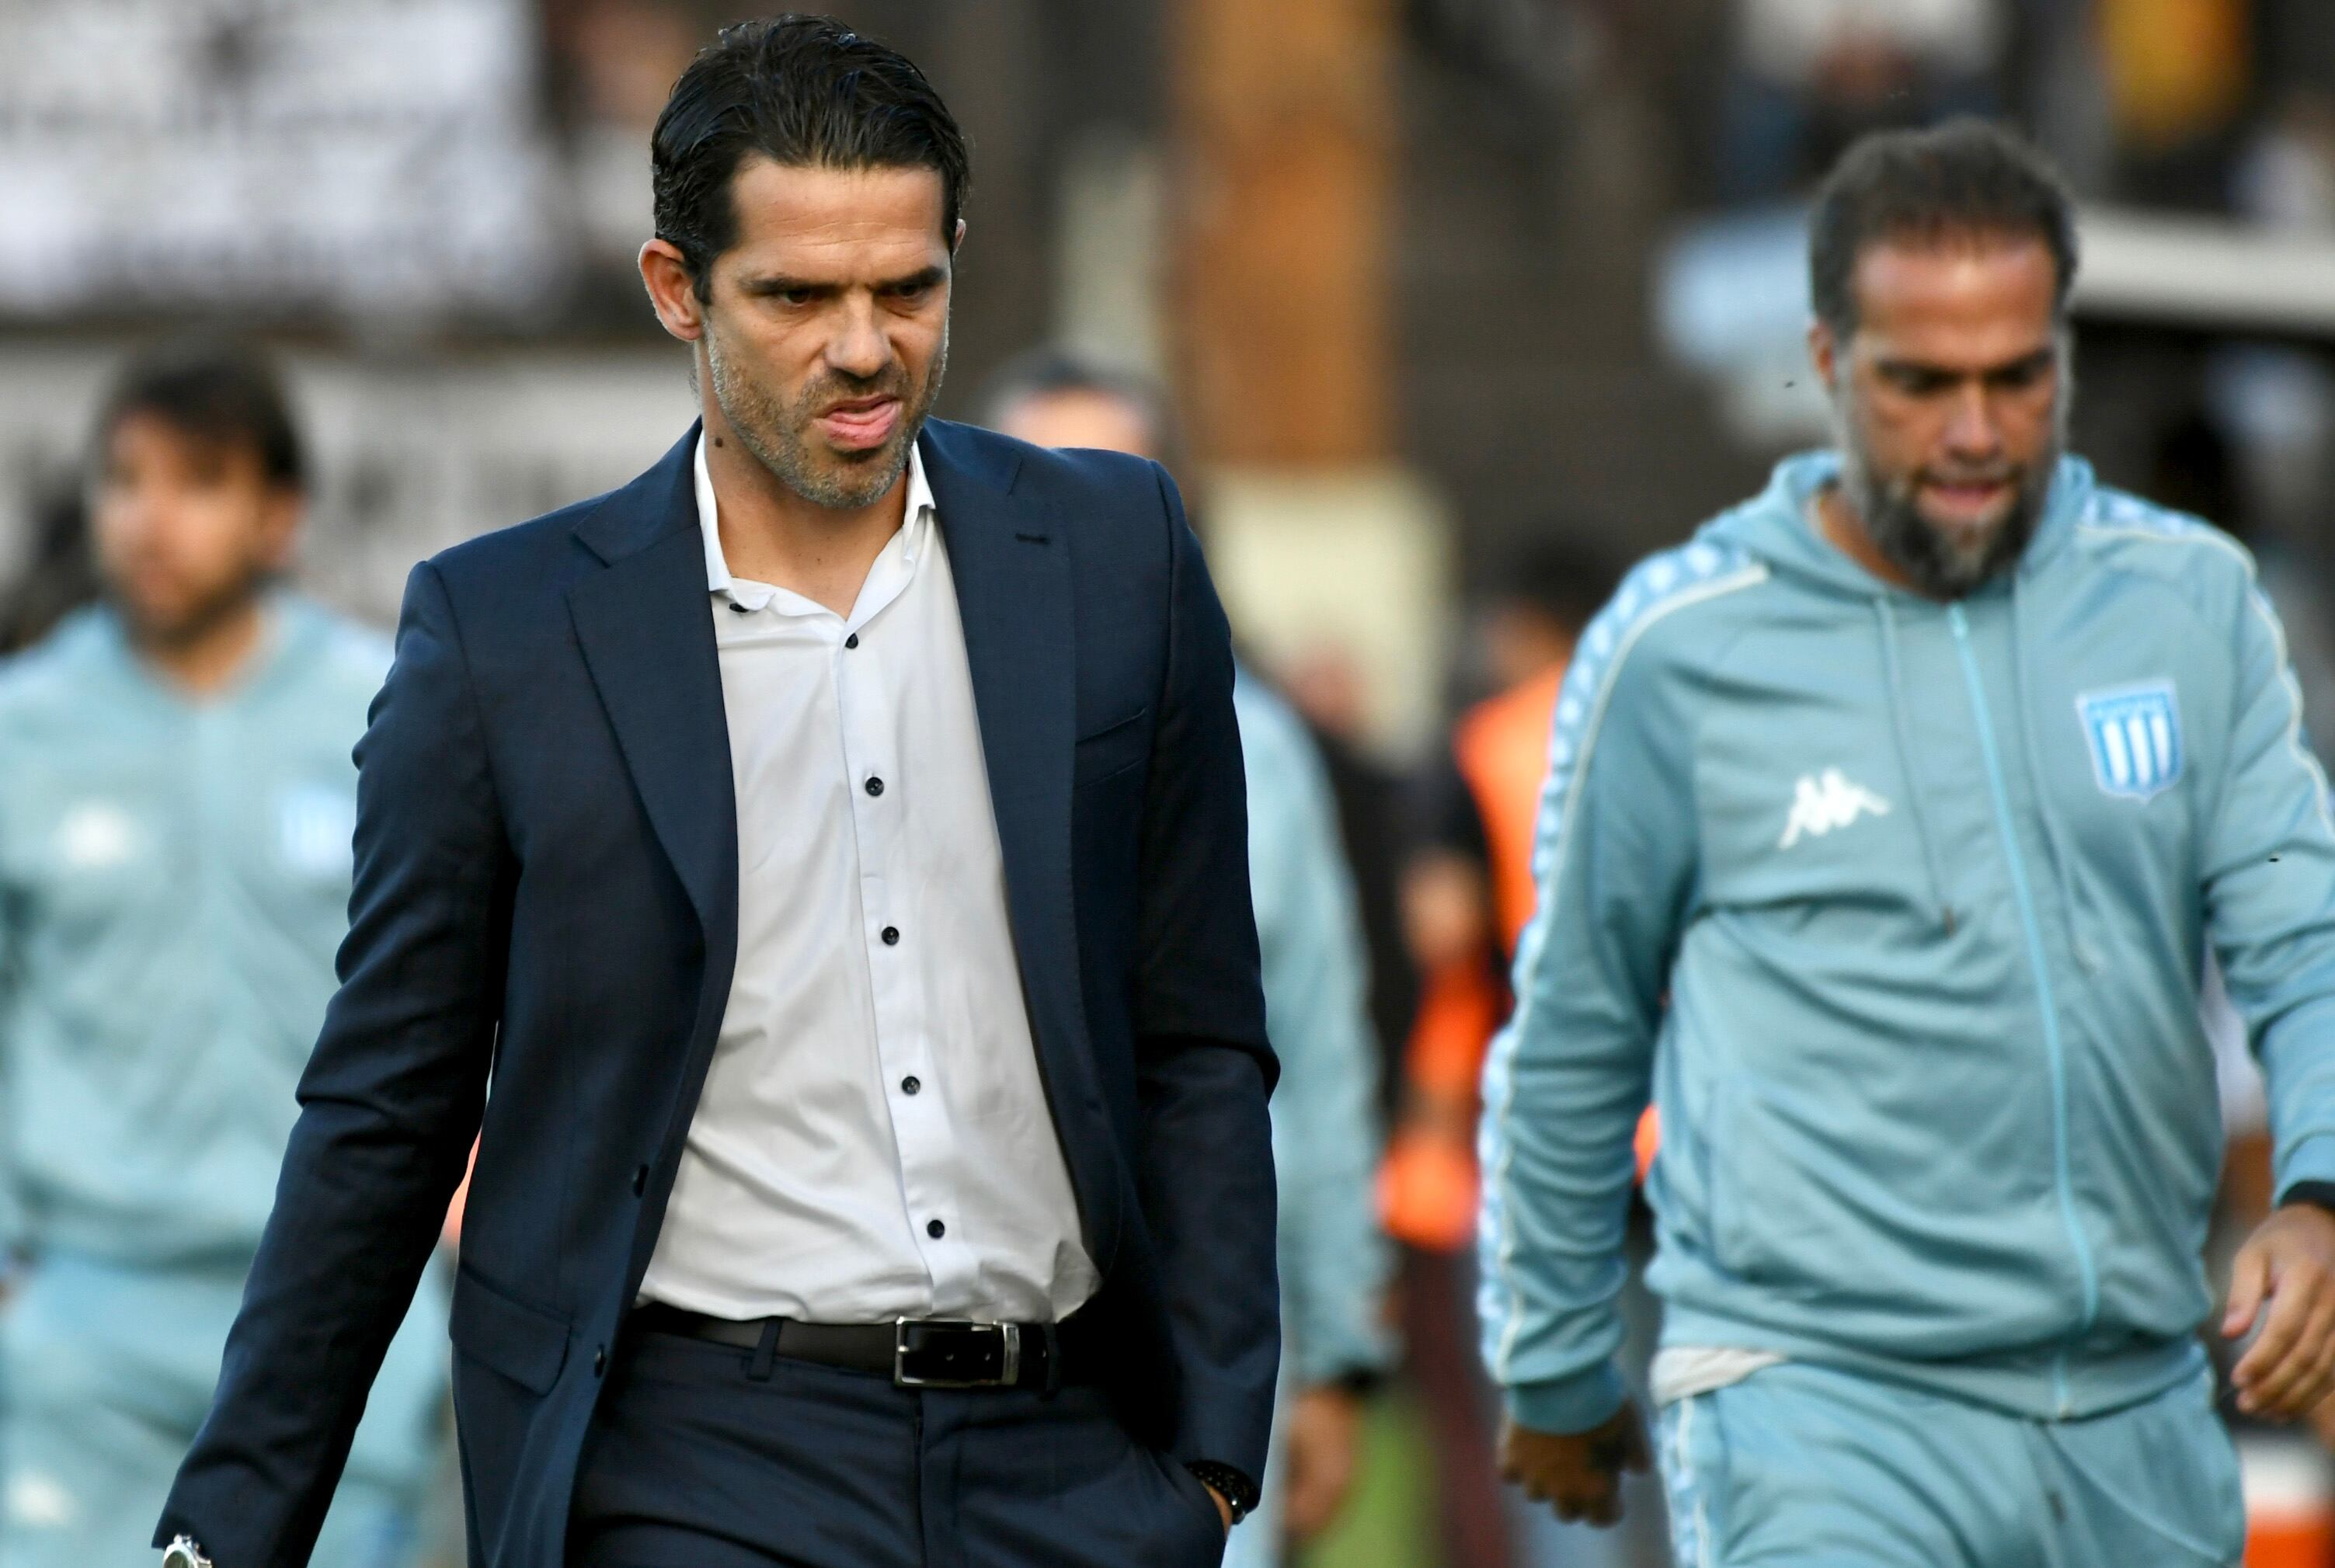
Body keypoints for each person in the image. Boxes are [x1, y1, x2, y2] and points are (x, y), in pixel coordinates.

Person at [155, 18, 1276, 1568]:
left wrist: (1212, 1454)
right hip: (699, 1461)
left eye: (909, 287)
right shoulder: (508, 635)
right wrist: (227, 1530)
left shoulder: (1115, 558)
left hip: (1072, 1466)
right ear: (678, 289)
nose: (866, 346)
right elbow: (388, 1106)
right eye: (798, 296)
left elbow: (1199, 1031)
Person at [1485, 119, 2335, 1563]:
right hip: (1815, 1400)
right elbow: (1577, 1024)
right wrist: (1557, 1359)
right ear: (1826, 365)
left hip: (2130, 1398)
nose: (1973, 431)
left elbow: (2301, 938)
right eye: (1918, 382)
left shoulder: (2186, 607)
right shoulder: (1683, 653)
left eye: (2017, 378)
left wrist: (2318, 1192)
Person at [0, 344, 451, 1568]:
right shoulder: (22, 729)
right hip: (88, 1316)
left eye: (198, 482)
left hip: (339, 1321)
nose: (151, 519)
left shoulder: (392, 711)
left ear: (278, 513)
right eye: (124, 479)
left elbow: (473, 996)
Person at [984, 350, 1397, 1568]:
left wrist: (1335, 1353)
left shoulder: (1257, 748)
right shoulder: (891, 713)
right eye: (1037, 483)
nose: (1075, 521)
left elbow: (1315, 1065)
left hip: (1187, 1359)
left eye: (1114, 481)